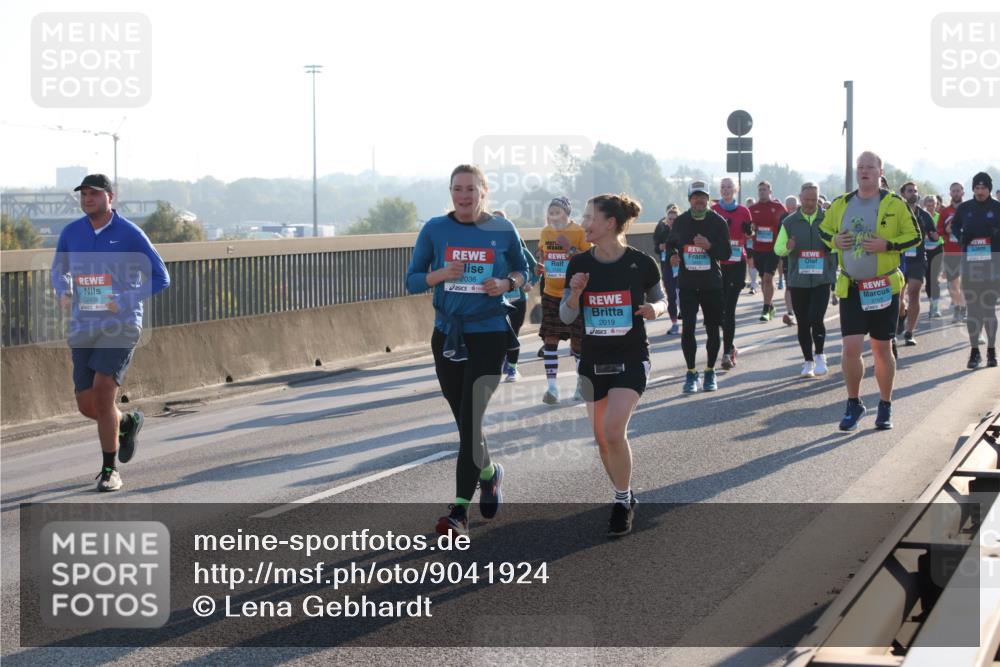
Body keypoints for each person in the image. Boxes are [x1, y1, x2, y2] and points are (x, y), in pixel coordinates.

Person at [405, 164, 528, 535]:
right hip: (447, 335)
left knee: (472, 418)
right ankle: (489, 474)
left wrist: (506, 282)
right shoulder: (435, 229)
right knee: (465, 424)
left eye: (471, 189)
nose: (464, 195)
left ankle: (458, 511)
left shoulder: (502, 229)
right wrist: (441, 274)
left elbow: (527, 273)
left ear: (484, 191)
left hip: (489, 333)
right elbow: (412, 281)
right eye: (457, 189)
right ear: (450, 192)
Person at [50, 174, 170, 492]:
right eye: (84, 194)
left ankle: (109, 470)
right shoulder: (71, 232)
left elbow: (161, 277)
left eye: (94, 193)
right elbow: (57, 268)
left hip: (122, 324)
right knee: (87, 405)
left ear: (110, 197)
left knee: (104, 393)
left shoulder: (130, 234)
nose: (87, 198)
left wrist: (126, 298)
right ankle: (127, 422)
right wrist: (62, 289)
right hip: (83, 325)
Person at [561, 193, 666, 537]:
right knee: (602, 439)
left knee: (612, 430)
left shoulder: (641, 263)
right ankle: (626, 493)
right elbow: (566, 315)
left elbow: (662, 299)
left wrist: (656, 310)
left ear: (609, 223)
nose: (584, 224)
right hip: (593, 359)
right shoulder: (579, 264)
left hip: (632, 357)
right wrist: (575, 294)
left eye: (590, 217)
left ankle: (621, 501)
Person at [819, 151, 920, 431]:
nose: (864, 171)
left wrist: (888, 245)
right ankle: (854, 403)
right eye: (860, 167)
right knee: (851, 347)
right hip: (851, 286)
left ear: (880, 171)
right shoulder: (841, 203)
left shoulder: (895, 203)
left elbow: (915, 236)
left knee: (881, 348)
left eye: (869, 167)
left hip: (883, 287)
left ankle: (885, 404)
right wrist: (835, 240)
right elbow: (823, 231)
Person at [665, 181, 731, 393]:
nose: (699, 200)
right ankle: (691, 373)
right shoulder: (682, 221)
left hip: (711, 284)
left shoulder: (718, 222)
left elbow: (727, 253)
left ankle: (710, 371)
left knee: (713, 329)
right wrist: (674, 254)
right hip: (688, 284)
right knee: (688, 330)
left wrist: (709, 246)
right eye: (695, 196)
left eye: (703, 196)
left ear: (708, 199)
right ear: (689, 199)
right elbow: (671, 242)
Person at [775, 183, 835, 377]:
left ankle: (820, 355)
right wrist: (788, 246)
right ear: (800, 199)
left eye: (814, 199)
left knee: (816, 318)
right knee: (803, 322)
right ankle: (807, 360)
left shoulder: (827, 219)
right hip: (798, 280)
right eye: (807, 199)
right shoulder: (790, 222)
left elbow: (837, 246)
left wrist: (831, 252)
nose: (811, 203)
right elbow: (778, 249)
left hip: (821, 279)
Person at [536, 196, 591, 404]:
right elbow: (543, 254)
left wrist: (570, 248)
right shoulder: (545, 232)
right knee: (550, 341)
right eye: (551, 212)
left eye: (557, 211)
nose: (553, 216)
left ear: (567, 213)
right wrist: (539, 264)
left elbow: (589, 259)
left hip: (573, 294)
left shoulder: (578, 232)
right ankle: (552, 389)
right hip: (550, 292)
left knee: (577, 344)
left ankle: (580, 385)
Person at [951, 171, 1000, 369]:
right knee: (973, 310)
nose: (980, 191)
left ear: (989, 189)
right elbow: (954, 228)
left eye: (984, 188)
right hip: (970, 265)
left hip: (993, 267)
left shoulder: (997, 208)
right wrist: (962, 236)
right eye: (977, 188)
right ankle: (974, 352)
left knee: (988, 309)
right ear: (972, 189)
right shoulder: (965, 208)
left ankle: (991, 351)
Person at [711, 177, 753, 369]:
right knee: (718, 310)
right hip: (718, 264)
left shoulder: (744, 211)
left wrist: (749, 231)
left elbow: (749, 235)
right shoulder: (714, 211)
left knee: (729, 309)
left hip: (737, 263)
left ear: (736, 189)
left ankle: (727, 353)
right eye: (723, 187)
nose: (726, 190)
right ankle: (731, 345)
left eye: (729, 187)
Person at [493, 210, 539, 382]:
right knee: (499, 334)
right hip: (497, 299)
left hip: (517, 299)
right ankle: (501, 363)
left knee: (514, 333)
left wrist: (530, 283)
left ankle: (512, 368)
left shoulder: (518, 247)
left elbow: (536, 269)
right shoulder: (489, 247)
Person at [897, 182, 938, 346]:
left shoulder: (924, 214)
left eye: (915, 191)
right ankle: (901, 316)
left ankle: (909, 332)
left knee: (914, 293)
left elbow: (934, 235)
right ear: (903, 193)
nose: (913, 193)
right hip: (899, 260)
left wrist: (934, 235)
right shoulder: (896, 213)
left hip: (918, 259)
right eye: (909, 191)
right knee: (898, 297)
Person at [749, 181, 788, 322]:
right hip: (758, 249)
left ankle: (765, 309)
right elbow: (749, 229)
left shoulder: (778, 208)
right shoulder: (752, 209)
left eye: (764, 190)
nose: (762, 192)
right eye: (760, 190)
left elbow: (787, 226)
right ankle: (770, 305)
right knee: (763, 280)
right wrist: (750, 229)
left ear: (770, 192)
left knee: (768, 278)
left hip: (773, 249)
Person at [939, 182, 968, 322]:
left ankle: (964, 308)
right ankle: (958, 306)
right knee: (953, 284)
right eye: (953, 191)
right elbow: (939, 230)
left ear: (963, 192)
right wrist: (947, 230)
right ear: (950, 193)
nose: (956, 193)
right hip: (950, 252)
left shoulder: (969, 209)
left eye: (958, 190)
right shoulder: (945, 212)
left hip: (967, 252)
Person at [653, 205, 681, 334]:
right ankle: (674, 324)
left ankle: (687, 320)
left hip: (680, 266)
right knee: (671, 295)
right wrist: (661, 247)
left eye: (675, 219)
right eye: (670, 218)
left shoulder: (682, 232)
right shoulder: (661, 230)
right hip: (667, 267)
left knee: (681, 295)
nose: (672, 221)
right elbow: (656, 248)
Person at [922, 194, 944, 318]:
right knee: (928, 279)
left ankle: (935, 307)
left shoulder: (940, 217)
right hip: (924, 251)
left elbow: (942, 233)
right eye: (928, 205)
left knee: (934, 279)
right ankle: (931, 302)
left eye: (933, 205)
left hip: (937, 250)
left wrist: (936, 235)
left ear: (937, 205)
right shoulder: (921, 217)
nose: (930, 207)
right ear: (925, 205)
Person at [779, 195, 800, 324]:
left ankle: (799, 311)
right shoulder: (783, 220)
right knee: (789, 285)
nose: (791, 210)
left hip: (803, 257)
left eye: (794, 207)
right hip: (788, 256)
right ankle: (790, 312)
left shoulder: (802, 218)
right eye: (789, 208)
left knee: (800, 286)